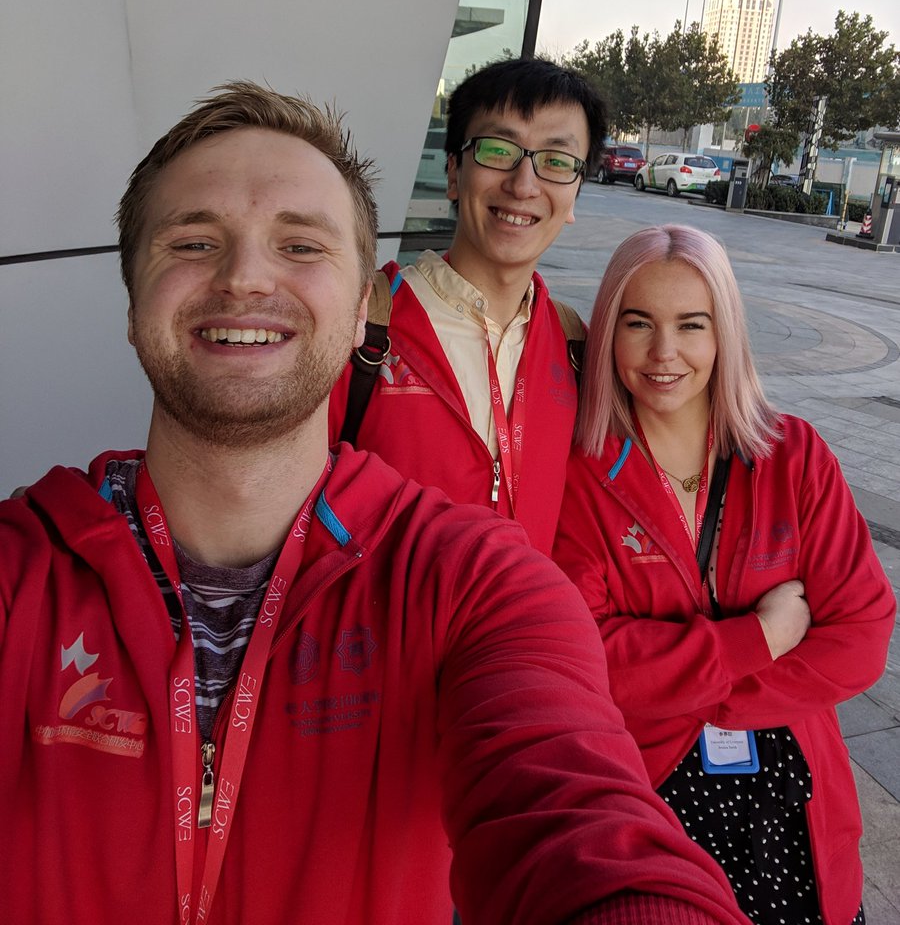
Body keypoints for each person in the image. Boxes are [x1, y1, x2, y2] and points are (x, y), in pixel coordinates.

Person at [0, 86, 752, 925]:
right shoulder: (19, 576)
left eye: (301, 246)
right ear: (134, 297)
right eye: (195, 240)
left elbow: (580, 812)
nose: (246, 275)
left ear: (356, 307)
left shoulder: (551, 412)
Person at [553, 224, 896, 925]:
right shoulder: (580, 480)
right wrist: (760, 639)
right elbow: (586, 661)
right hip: (649, 802)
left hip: (797, 809)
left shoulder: (793, 457)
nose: (663, 353)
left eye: (691, 325)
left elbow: (859, 637)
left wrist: (695, 691)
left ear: (725, 335)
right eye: (637, 322)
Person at [328, 57, 606, 555]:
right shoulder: (361, 323)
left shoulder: (575, 346)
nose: (524, 185)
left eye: (557, 162)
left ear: (576, 193)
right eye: (498, 150)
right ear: (454, 172)